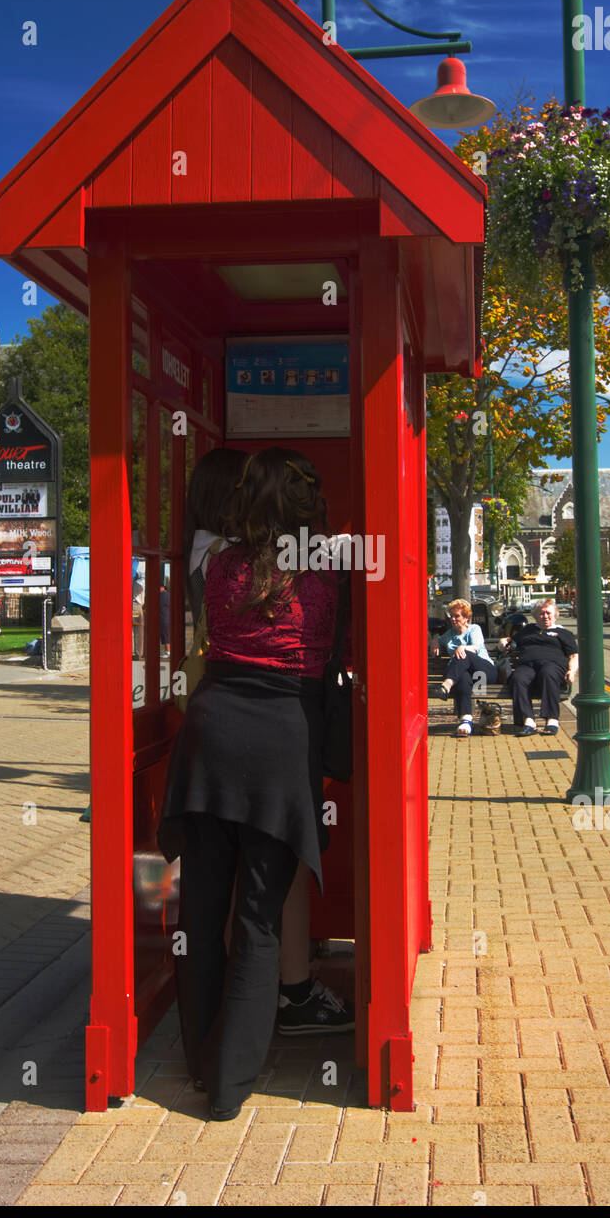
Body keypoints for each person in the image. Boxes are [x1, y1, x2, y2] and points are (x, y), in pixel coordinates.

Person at [158, 448, 349, 1122]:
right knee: (258, 919)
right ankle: (230, 1085)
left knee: (202, 913)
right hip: (280, 740)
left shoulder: (217, 563)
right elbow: (339, 659)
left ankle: (199, 1061)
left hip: (211, 732)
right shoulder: (326, 569)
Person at [500, 598, 578, 736]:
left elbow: (573, 656)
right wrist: (503, 641)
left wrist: (571, 671)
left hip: (553, 666)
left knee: (548, 673)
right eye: (541, 614)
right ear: (536, 616)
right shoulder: (528, 630)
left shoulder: (564, 633)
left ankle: (552, 719)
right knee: (518, 678)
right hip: (528, 665)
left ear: (555, 615)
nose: (545, 616)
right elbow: (510, 642)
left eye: (548, 613)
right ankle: (528, 721)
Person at [431, 598, 499, 737]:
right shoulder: (449, 635)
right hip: (465, 676)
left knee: (464, 654)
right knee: (462, 677)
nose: (453, 619)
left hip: (483, 673)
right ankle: (466, 721)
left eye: (457, 616)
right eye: (452, 616)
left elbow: (475, 648)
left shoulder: (474, 629)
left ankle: (446, 685)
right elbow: (438, 639)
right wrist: (435, 641)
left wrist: (463, 647)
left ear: (466, 617)